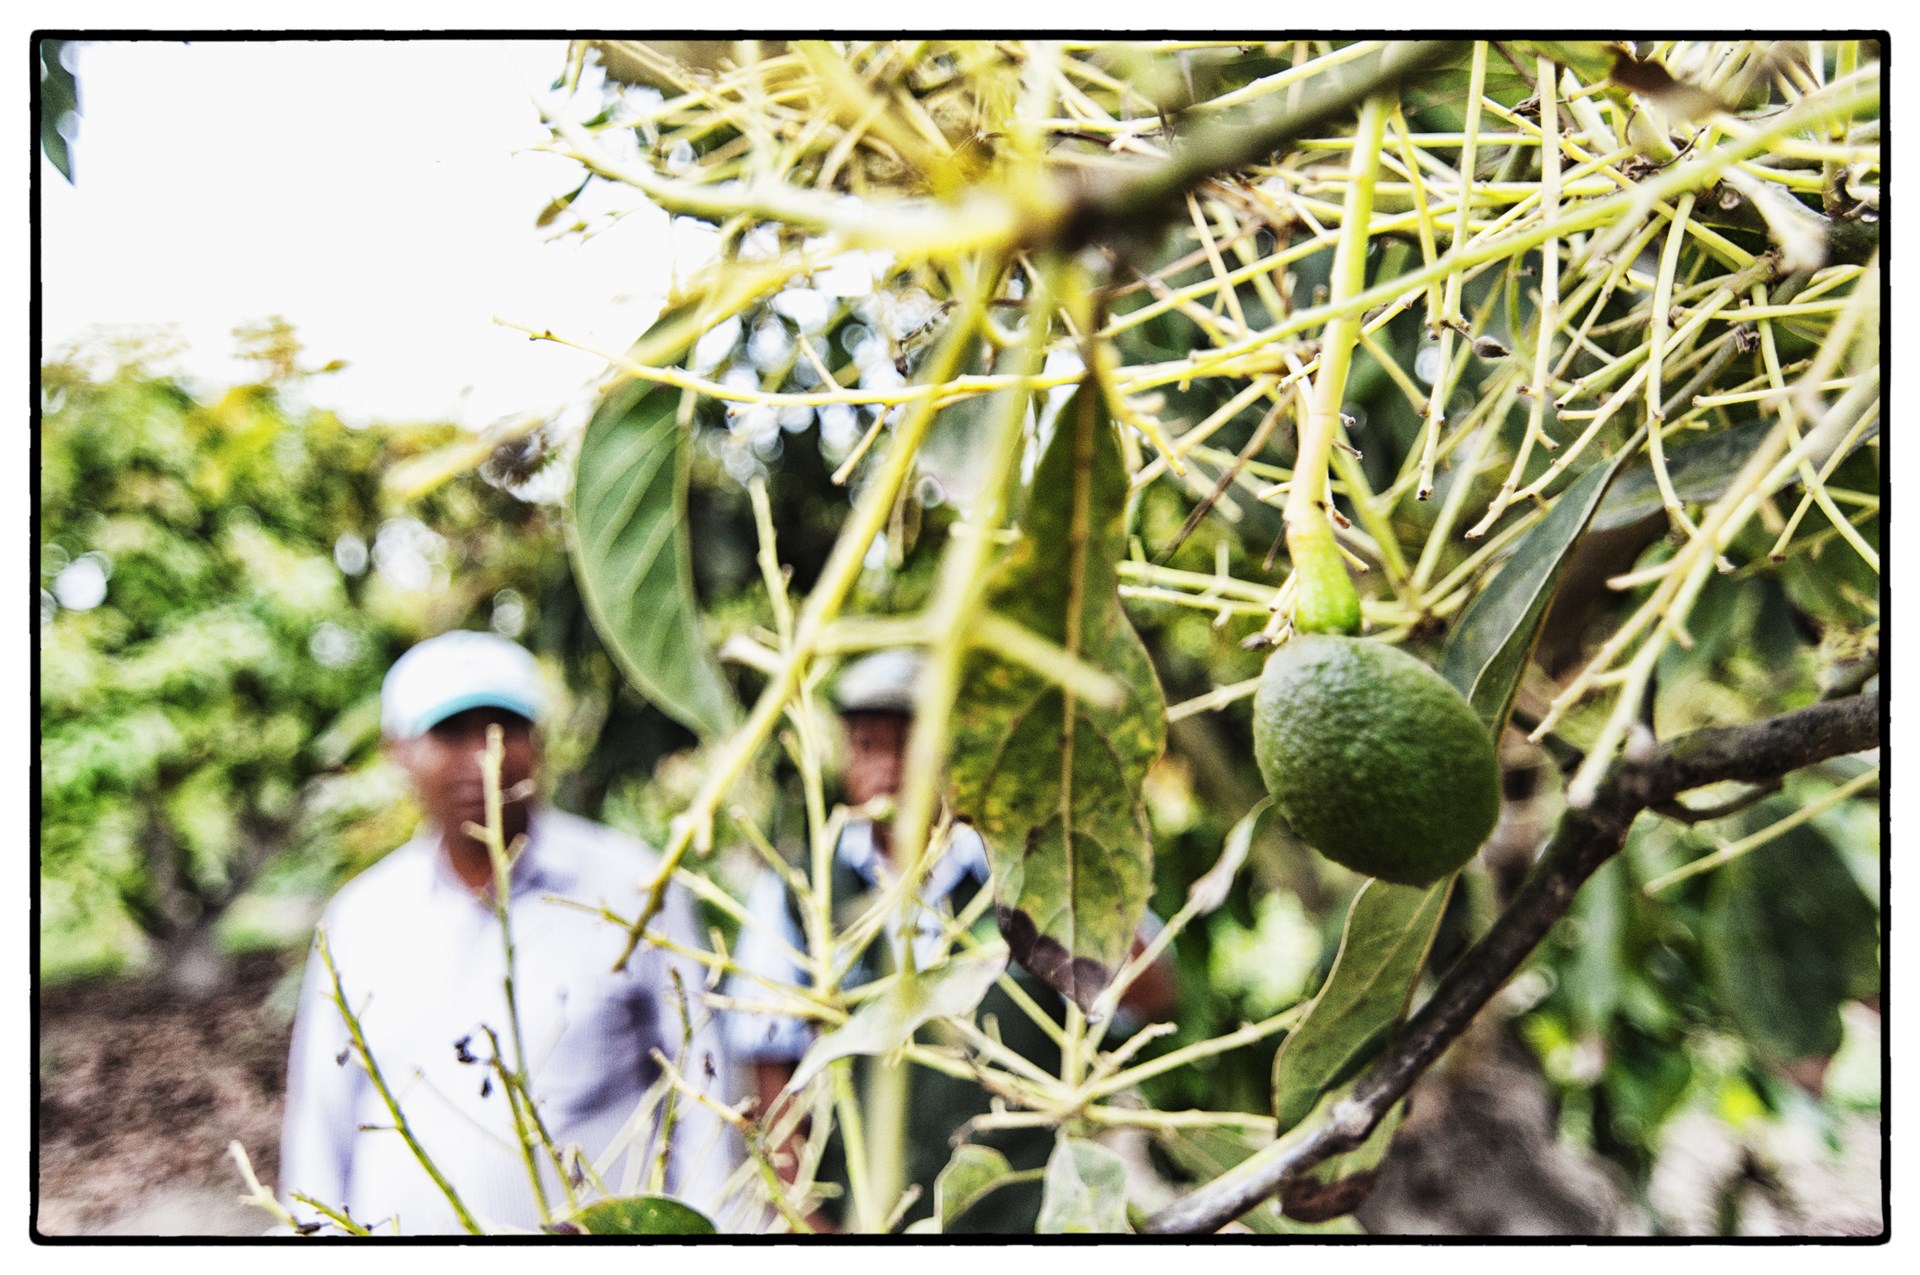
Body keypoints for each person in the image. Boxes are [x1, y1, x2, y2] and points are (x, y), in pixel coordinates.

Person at [279, 630, 735, 1234]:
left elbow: (705, 1092)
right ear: (399, 751)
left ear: (538, 743)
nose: (483, 759)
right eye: (451, 733)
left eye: (504, 731)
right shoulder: (360, 917)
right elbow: (321, 1126)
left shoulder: (634, 890)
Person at [723, 649, 1176, 1233]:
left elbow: (1152, 994)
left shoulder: (1021, 875)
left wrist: (1064, 852)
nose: (885, 770)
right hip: (866, 1221)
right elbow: (770, 1073)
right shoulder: (797, 892)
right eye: (866, 747)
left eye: (907, 745)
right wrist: (805, 1219)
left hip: (1025, 1219)